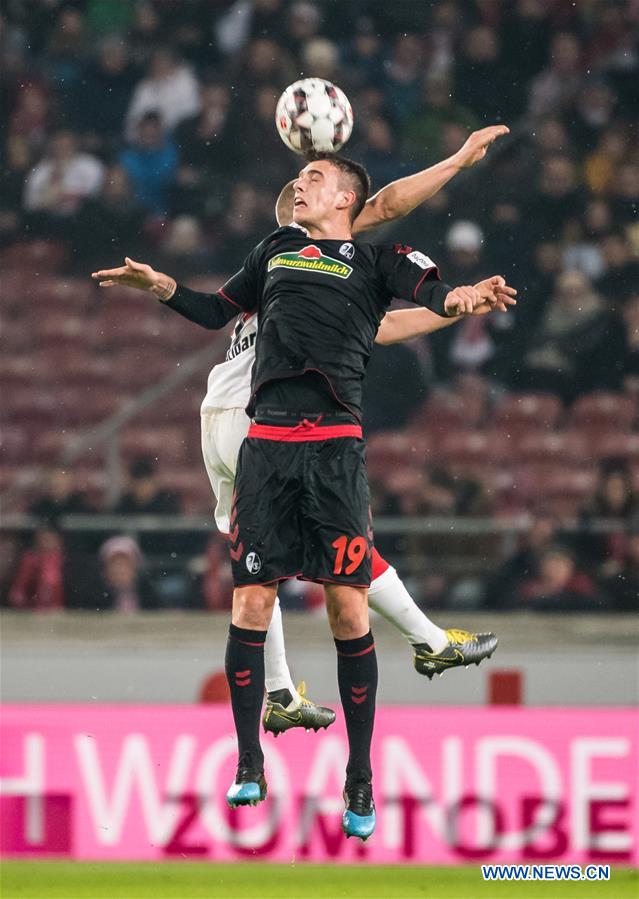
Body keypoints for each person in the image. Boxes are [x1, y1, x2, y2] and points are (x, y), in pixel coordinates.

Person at [93, 134, 515, 841]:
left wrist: (461, 298)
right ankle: (251, 759)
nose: (300, 183)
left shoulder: (377, 261)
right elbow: (212, 310)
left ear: (345, 198)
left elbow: (422, 284)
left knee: (347, 609)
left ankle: (359, 774)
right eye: (297, 177)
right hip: (264, 441)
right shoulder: (275, 251)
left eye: (313, 176)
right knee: (252, 597)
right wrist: (160, 285)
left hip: (334, 450)